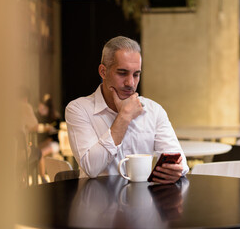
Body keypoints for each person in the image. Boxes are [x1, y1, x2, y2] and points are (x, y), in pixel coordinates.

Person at [65, 36, 189, 184]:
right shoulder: (78, 109)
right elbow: (91, 168)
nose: (130, 83)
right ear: (103, 71)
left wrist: (176, 170)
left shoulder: (154, 111)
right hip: (97, 203)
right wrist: (124, 116)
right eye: (122, 73)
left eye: (136, 74)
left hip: (142, 202)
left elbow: (180, 161)